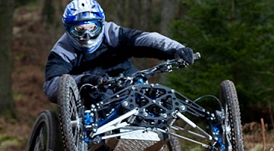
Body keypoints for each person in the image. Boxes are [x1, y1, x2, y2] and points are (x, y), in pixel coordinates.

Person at [43, 0, 194, 104]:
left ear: (101, 24)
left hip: (126, 80)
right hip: (90, 96)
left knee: (150, 90)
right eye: (79, 30)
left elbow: (145, 39)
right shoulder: (62, 49)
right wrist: (83, 80)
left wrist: (176, 49)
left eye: (91, 28)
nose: (86, 36)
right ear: (68, 30)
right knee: (95, 94)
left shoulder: (113, 34)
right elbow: (51, 86)